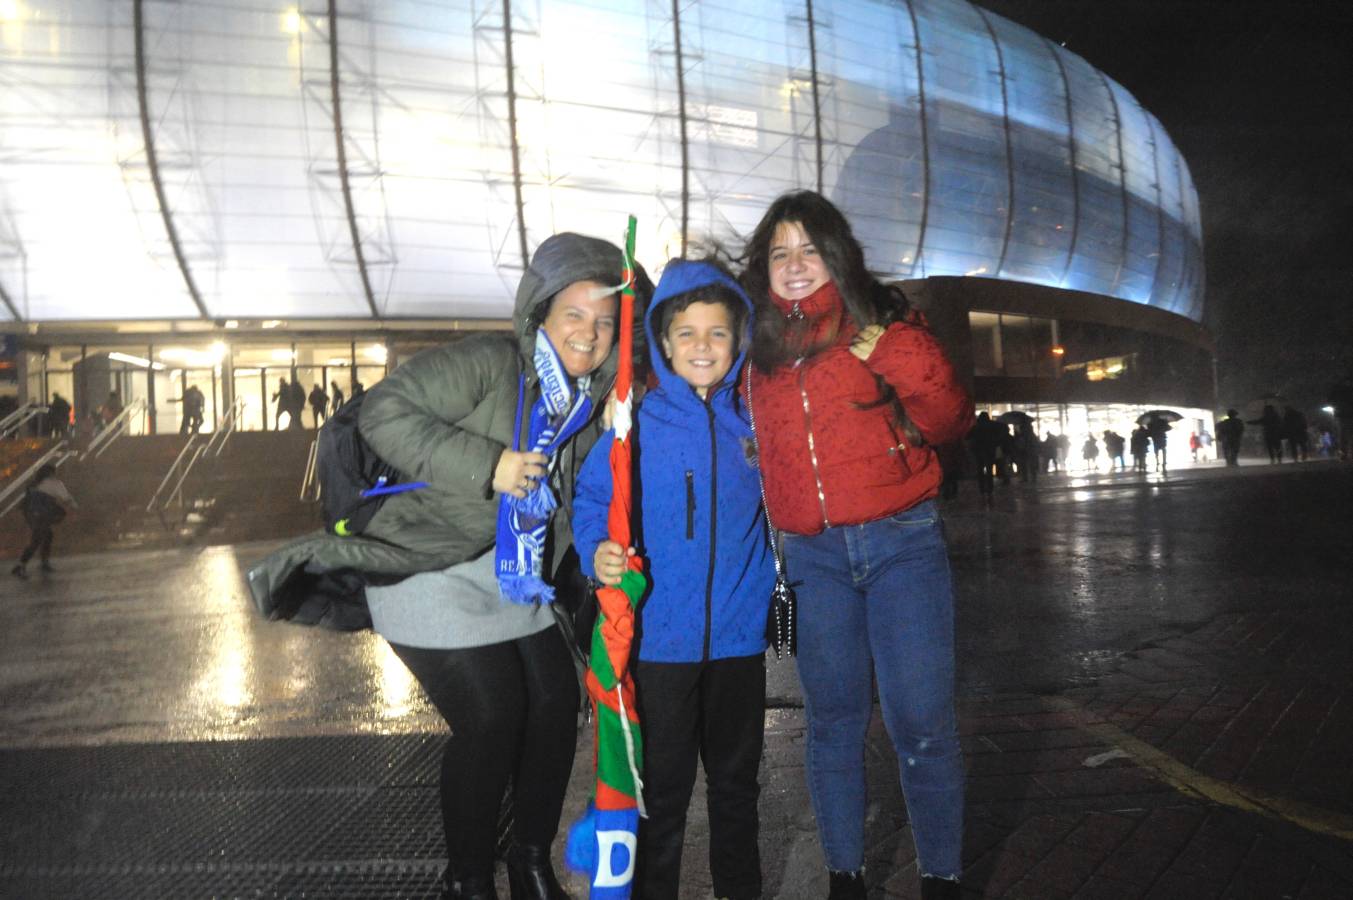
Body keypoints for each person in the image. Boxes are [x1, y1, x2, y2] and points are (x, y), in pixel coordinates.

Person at [358, 232, 635, 900]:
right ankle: (468, 878)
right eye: (574, 314)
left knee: (554, 701)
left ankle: (529, 862)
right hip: (428, 566)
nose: (589, 333)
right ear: (539, 314)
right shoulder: (489, 361)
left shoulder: (589, 406)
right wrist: (492, 466)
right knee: (492, 717)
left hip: (515, 575)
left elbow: (582, 501)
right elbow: (382, 411)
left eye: (604, 322)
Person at [742, 191, 972, 900]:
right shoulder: (756, 350)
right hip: (811, 558)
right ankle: (845, 877)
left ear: (836, 253)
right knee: (832, 724)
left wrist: (902, 352)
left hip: (902, 543)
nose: (795, 265)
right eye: (780, 253)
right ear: (763, 267)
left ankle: (942, 878)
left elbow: (949, 419)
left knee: (922, 724)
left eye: (809, 249)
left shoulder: (882, 323)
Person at [573, 259, 773, 900]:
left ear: (739, 340)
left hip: (739, 647)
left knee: (738, 792)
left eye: (718, 333)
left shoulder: (755, 424)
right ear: (662, 341)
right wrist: (596, 549)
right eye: (686, 334)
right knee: (661, 795)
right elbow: (589, 500)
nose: (703, 348)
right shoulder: (635, 426)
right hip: (660, 649)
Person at [12, 464, 78, 578]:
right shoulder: (55, 483)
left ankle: (43, 562)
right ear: (52, 473)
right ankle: (21, 566)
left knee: (47, 535)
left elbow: (27, 500)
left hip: (31, 514)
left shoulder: (34, 483)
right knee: (37, 539)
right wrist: (75, 507)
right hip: (43, 514)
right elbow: (66, 498)